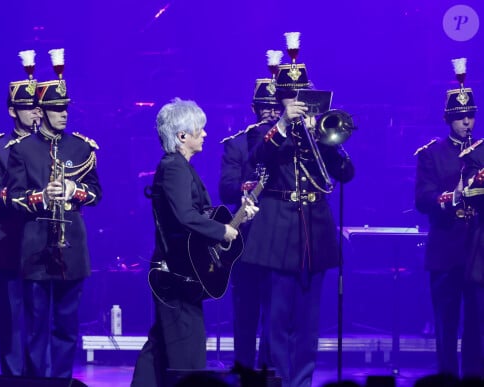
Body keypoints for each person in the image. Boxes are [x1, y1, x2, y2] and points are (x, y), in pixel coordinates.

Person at [242, 32, 355, 387]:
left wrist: (326, 140)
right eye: (291, 98)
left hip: (316, 232)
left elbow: (346, 174)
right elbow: (258, 157)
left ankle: (303, 382)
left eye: (301, 97)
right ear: (281, 101)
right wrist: (284, 125)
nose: (297, 104)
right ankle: (278, 380)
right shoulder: (264, 133)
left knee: (309, 321)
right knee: (278, 319)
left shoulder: (317, 134)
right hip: (278, 234)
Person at [131, 98, 259, 387]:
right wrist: (221, 231)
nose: (205, 134)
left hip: (183, 272)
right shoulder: (174, 167)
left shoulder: (181, 167)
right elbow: (185, 216)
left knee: (161, 347)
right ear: (182, 136)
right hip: (175, 274)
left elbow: (199, 216)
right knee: (186, 353)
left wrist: (238, 220)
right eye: (199, 129)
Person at [6, 48, 102, 378]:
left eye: (65, 108)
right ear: (42, 111)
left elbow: (97, 194)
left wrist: (75, 192)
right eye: (56, 109)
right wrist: (40, 196)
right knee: (35, 325)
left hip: (72, 247)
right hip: (35, 246)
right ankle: (35, 382)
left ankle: (60, 382)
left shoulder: (82, 147)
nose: (63, 114)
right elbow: (12, 196)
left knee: (66, 324)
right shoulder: (22, 150)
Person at [415, 57, 482, 378]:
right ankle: (445, 380)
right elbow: (423, 199)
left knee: (478, 326)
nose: (467, 123)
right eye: (460, 117)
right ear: (447, 119)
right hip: (445, 251)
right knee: (446, 325)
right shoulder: (432, 154)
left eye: (470, 116)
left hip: (477, 252)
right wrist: (454, 195)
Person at [0, 50, 41, 376]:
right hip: (11, 242)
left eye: (37, 107)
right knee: (14, 315)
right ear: (11, 110)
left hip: (45, 245)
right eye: (27, 108)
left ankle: (41, 376)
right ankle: (15, 379)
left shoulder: (51, 147)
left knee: (42, 313)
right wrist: (23, 199)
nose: (34, 114)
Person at [219, 75, 282, 369]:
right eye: (265, 107)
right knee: (246, 308)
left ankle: (270, 367)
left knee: (276, 309)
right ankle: (243, 367)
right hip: (248, 237)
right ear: (254, 109)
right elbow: (227, 186)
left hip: (281, 237)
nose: (271, 113)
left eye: (275, 107)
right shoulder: (237, 144)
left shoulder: (290, 144)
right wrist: (254, 186)